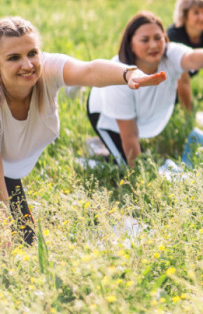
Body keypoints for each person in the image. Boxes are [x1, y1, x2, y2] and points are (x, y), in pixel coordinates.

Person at [0, 17, 166, 245]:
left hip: (10, 172)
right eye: (13, 58)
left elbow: (89, 70)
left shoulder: (46, 69)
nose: (28, 65)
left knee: (23, 239)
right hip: (4, 172)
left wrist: (129, 74)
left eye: (32, 53)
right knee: (18, 243)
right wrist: (7, 219)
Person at [87, 11, 203, 167]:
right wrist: (140, 177)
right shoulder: (119, 77)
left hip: (138, 115)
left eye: (158, 38)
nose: (154, 45)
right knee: (128, 164)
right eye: (145, 40)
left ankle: (104, 147)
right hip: (106, 116)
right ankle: (95, 155)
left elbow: (191, 57)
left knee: (144, 157)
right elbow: (130, 135)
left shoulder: (171, 53)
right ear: (130, 44)